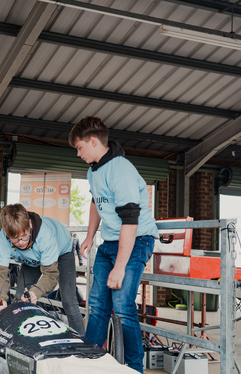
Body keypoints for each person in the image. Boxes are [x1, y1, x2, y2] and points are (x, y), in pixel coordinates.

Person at [68, 116, 158, 373]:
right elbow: (96, 202)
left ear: (93, 141)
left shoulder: (122, 170)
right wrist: (88, 236)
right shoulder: (93, 170)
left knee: (122, 307)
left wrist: (120, 267)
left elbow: (131, 220)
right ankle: (90, 360)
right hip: (110, 241)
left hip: (136, 239)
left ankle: (133, 367)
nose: (78, 153)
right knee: (97, 305)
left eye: (79, 147)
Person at [0, 203, 85, 335]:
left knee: (68, 301)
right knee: (20, 299)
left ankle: (80, 340)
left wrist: (35, 292)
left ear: (29, 224)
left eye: (24, 236)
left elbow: (50, 275)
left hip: (62, 251)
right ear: (6, 233)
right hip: (31, 258)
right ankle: (21, 339)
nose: (21, 243)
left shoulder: (46, 235)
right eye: (15, 240)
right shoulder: (3, 238)